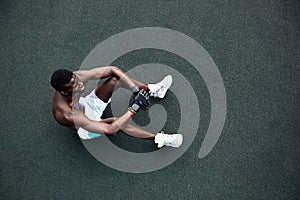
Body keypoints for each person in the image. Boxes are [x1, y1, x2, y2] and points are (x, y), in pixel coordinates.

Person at [50, 66, 183, 148]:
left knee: (115, 80)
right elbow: (110, 130)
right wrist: (135, 107)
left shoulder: (76, 78)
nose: (80, 84)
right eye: (75, 86)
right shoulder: (67, 114)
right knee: (118, 123)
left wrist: (136, 90)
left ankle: (153, 90)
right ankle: (160, 139)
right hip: (85, 125)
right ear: (63, 92)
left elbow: (112, 70)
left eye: (77, 80)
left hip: (86, 104)